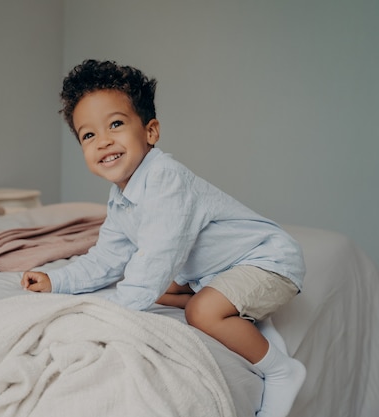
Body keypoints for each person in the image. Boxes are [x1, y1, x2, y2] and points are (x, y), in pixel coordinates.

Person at [21, 59, 306, 417]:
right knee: (160, 285)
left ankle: (281, 370)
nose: (104, 140)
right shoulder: (122, 198)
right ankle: (240, 312)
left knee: (201, 311)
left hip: (267, 261)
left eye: (116, 124)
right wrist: (57, 280)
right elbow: (107, 259)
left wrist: (113, 314)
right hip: (219, 271)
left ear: (150, 132)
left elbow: (158, 254)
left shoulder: (166, 178)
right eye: (89, 135)